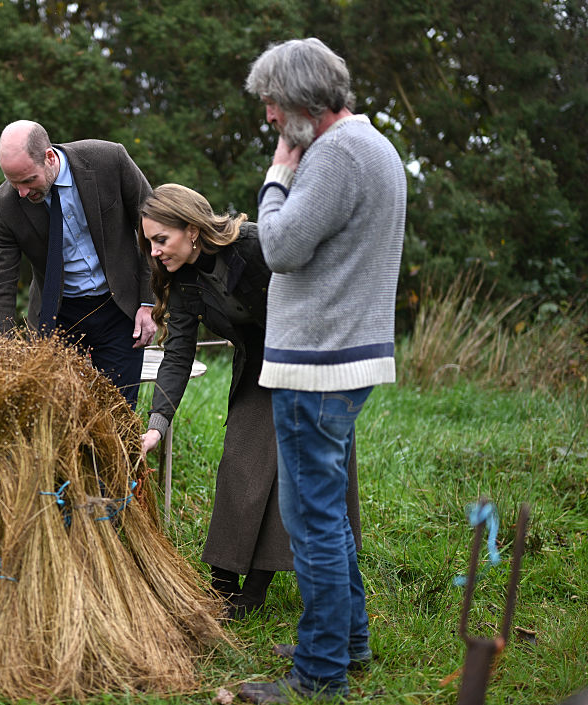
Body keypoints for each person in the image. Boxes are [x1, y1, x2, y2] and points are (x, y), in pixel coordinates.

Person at [238, 38, 407, 703]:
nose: (270, 117)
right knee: (326, 510)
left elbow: (279, 246)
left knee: (310, 520)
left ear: (304, 100)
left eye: (273, 103)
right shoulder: (375, 145)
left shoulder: (335, 154)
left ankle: (318, 673)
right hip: (345, 356)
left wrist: (277, 175)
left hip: (318, 363)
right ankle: (347, 639)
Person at [138, 184, 362, 620]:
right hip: (258, 365)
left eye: (161, 239)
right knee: (241, 461)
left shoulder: (256, 245)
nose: (154, 252)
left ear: (192, 229)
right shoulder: (180, 279)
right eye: (149, 242)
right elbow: (178, 355)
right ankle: (222, 580)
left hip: (313, 358)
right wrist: (156, 425)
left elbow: (324, 284)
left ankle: (257, 587)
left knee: (296, 472)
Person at [0, 120, 157, 408]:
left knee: (118, 413)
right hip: (58, 318)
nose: (22, 192)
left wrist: (149, 302)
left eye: (28, 180)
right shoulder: (3, 206)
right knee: (57, 416)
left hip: (119, 309)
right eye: (13, 183)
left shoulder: (109, 160)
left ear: (49, 157)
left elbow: (154, 226)